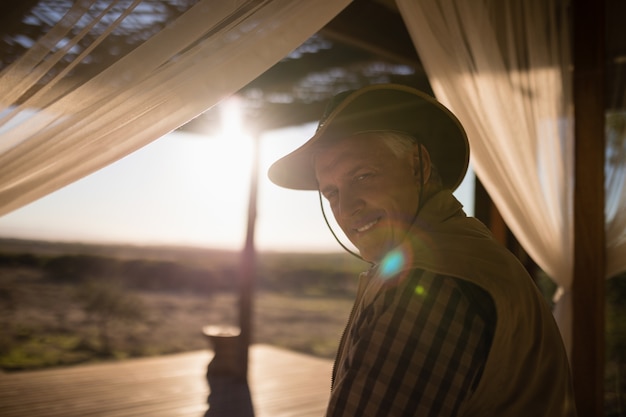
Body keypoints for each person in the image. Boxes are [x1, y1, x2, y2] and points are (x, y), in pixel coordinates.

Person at [267, 84, 577, 416]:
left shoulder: (430, 283)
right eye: (331, 193)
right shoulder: (470, 251)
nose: (345, 208)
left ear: (418, 166)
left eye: (361, 176)